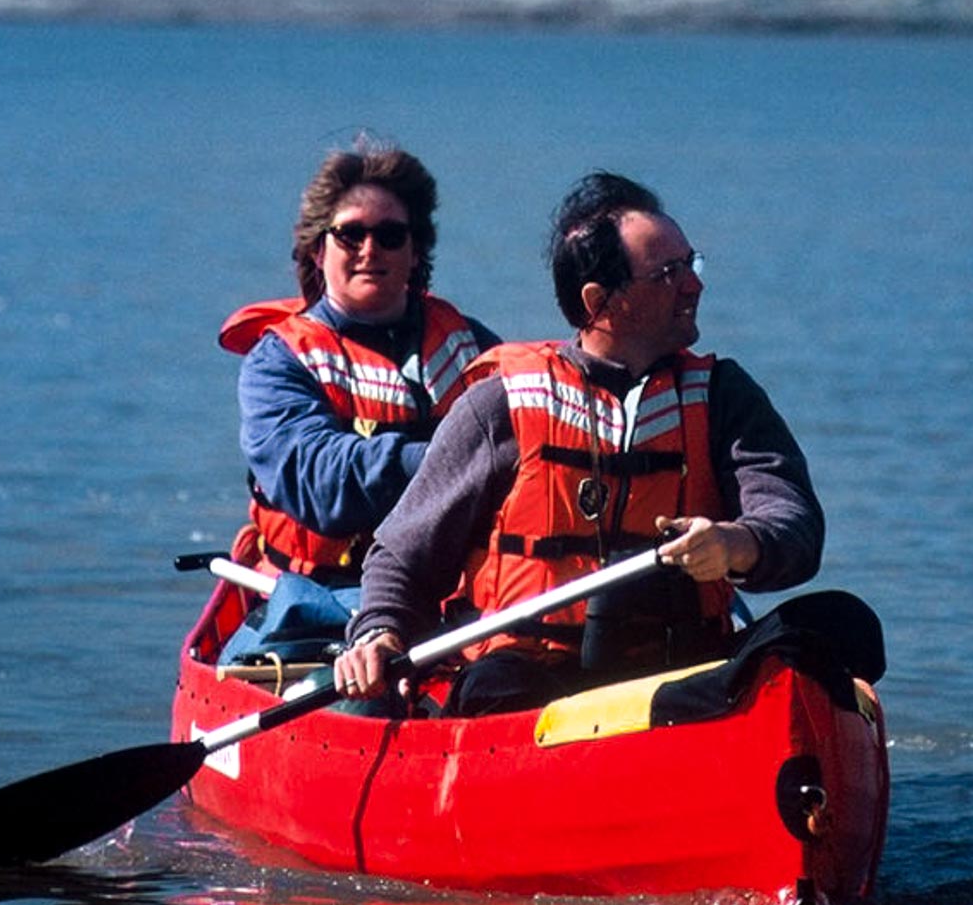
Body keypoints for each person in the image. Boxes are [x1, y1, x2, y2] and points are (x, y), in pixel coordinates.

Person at [333, 171, 824, 715]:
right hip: (531, 681)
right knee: (498, 692)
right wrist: (379, 633)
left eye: (692, 265)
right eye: (668, 273)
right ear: (599, 301)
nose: (694, 285)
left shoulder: (725, 397)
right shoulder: (499, 406)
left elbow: (793, 521)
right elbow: (404, 555)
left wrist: (738, 543)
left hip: (675, 671)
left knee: (829, 630)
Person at [216, 139, 500, 665]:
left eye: (391, 235)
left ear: (416, 252)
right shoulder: (278, 363)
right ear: (318, 251)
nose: (371, 250)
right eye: (350, 234)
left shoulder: (470, 344)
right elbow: (320, 485)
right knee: (370, 698)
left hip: (459, 589)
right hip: (324, 597)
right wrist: (455, 458)